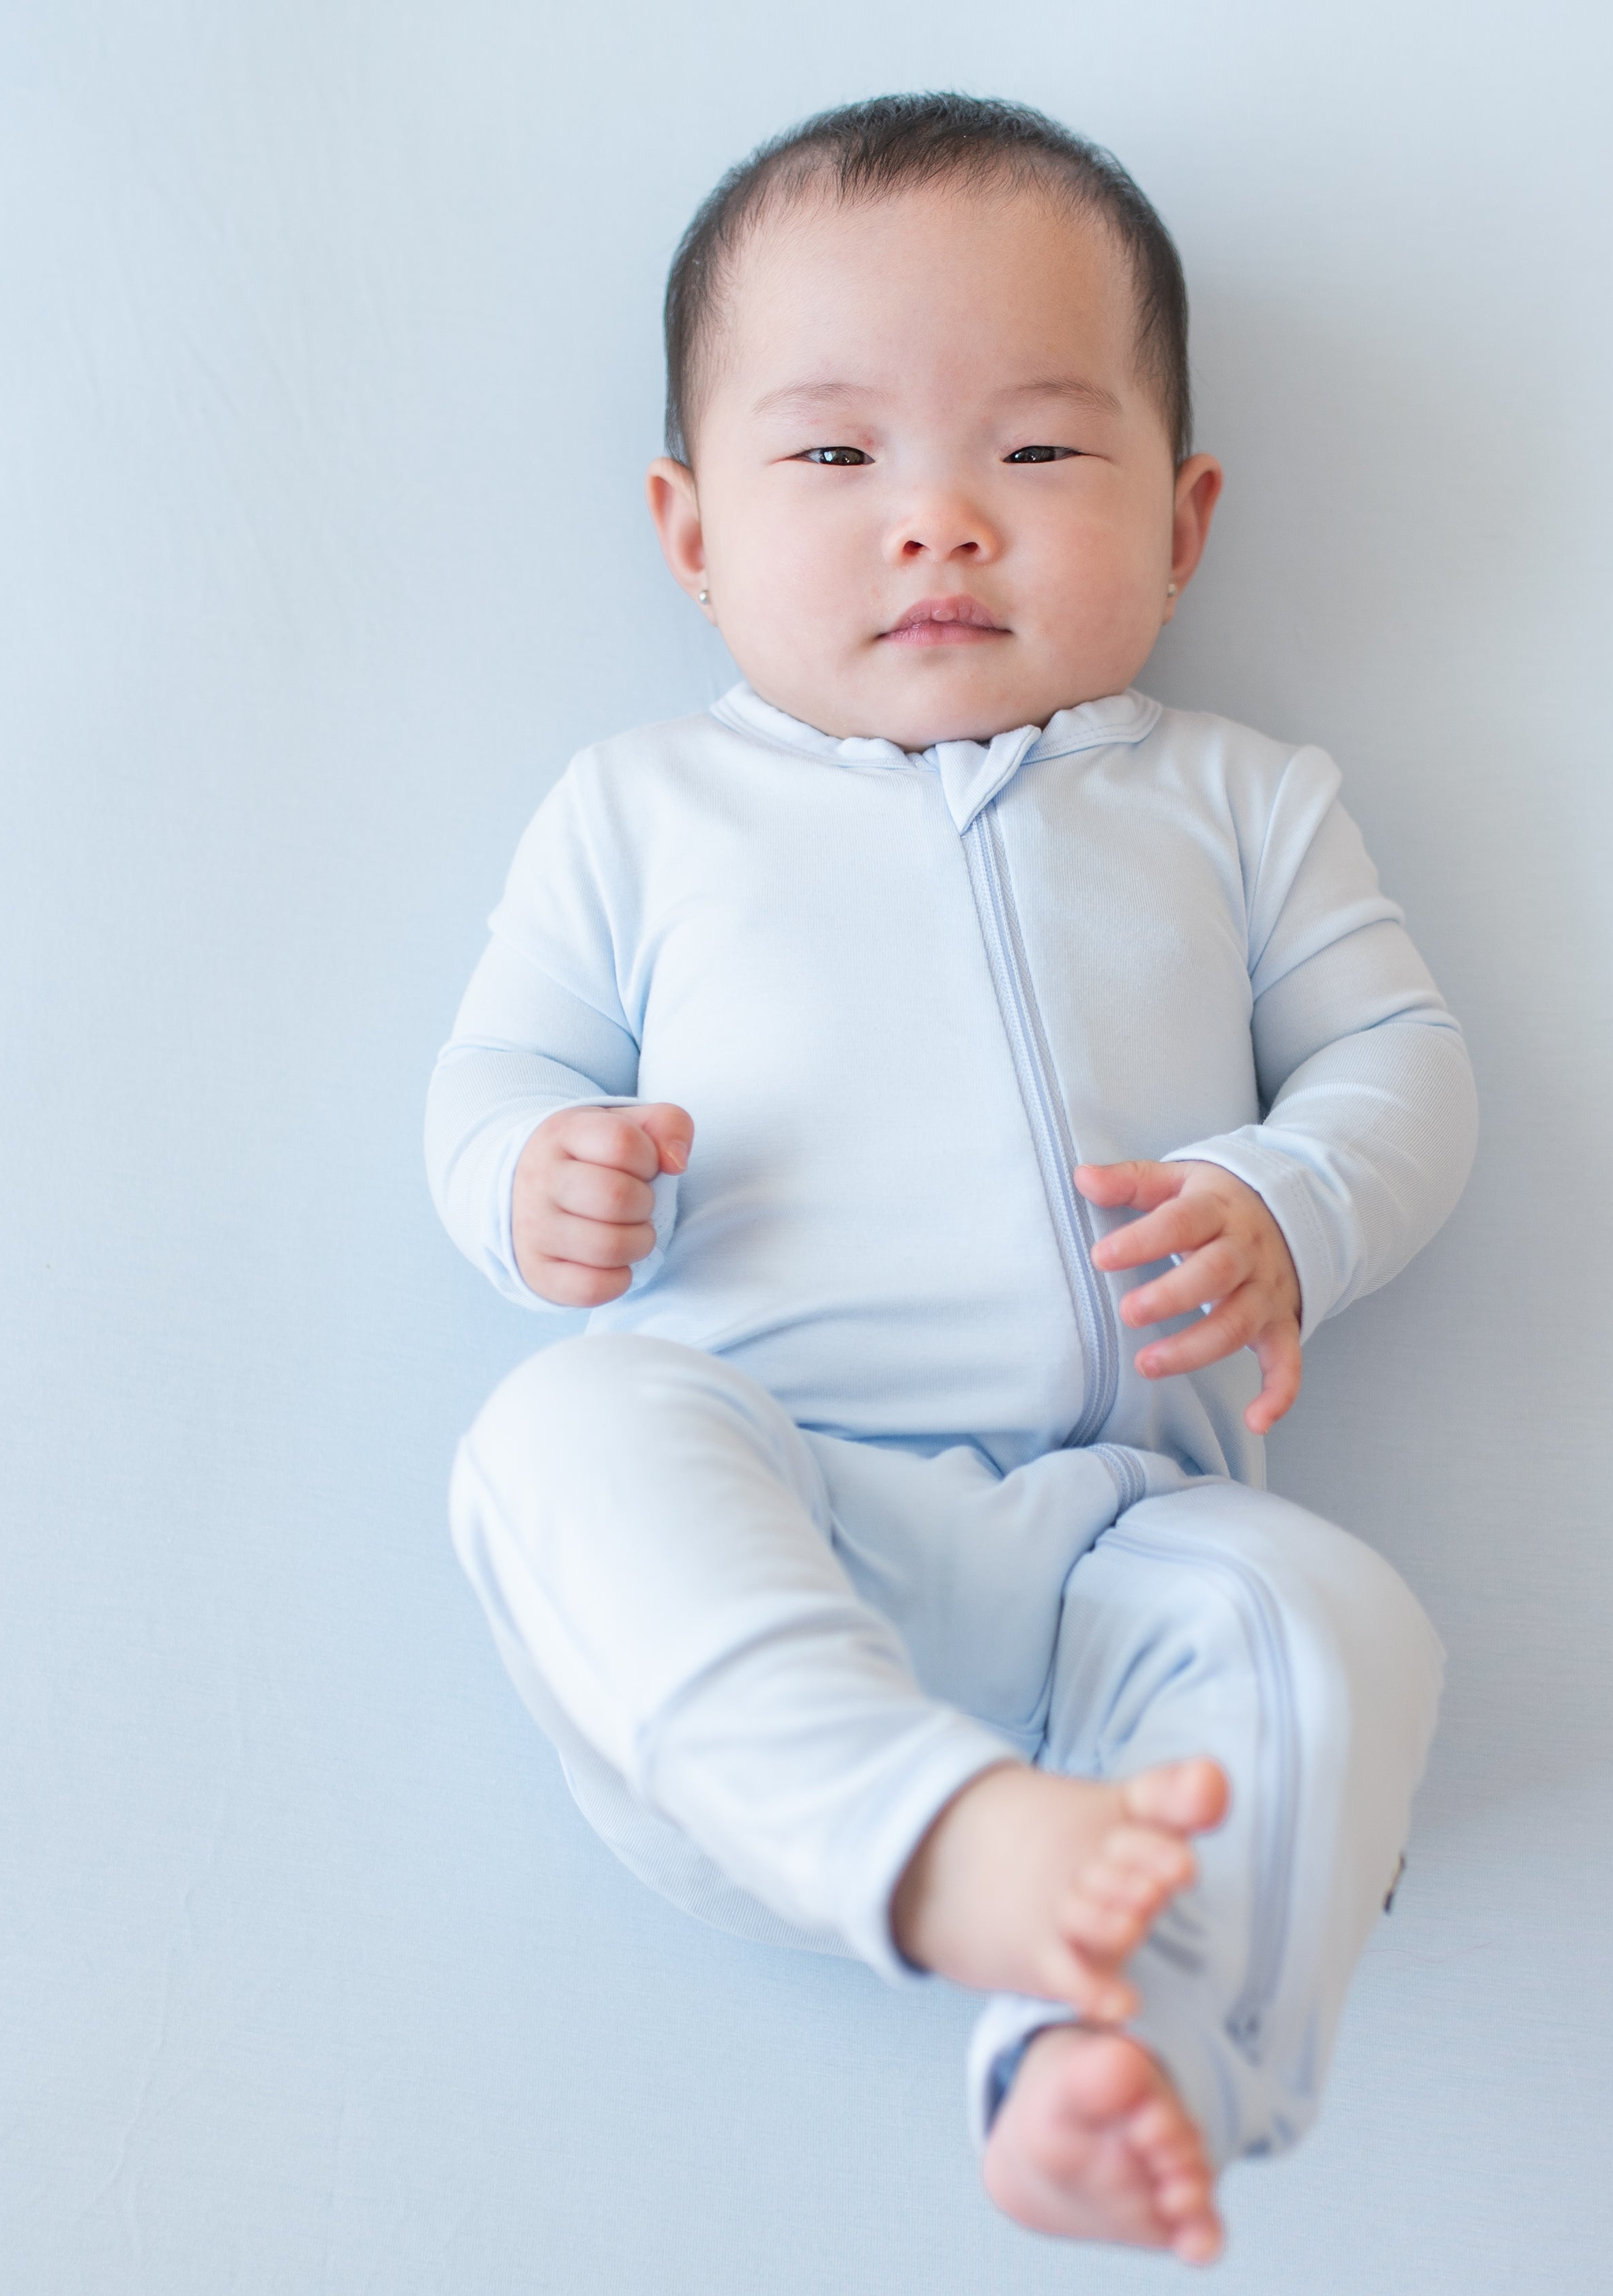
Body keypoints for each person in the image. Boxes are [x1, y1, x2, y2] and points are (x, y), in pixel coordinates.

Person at [426, 92, 1477, 2265]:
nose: (939, 525)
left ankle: (1115, 2060)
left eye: (1035, 452)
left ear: (1183, 523)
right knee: (562, 1435)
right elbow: (494, 1076)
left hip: (1126, 1557)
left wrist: (1295, 1197)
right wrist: (537, 1173)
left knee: (1334, 1623)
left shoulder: (1238, 801)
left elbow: (1400, 1062)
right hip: (776, 1552)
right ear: (688, 526)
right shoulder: (640, 813)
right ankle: (941, 1848)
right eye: (833, 459)